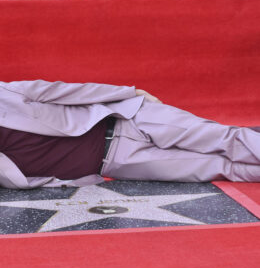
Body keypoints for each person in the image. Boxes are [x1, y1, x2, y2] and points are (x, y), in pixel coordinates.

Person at [0, 80, 259, 189]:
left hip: (129, 119)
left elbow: (70, 91)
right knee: (221, 167)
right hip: (119, 161)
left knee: (229, 140)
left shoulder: (7, 95)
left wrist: (129, 93)